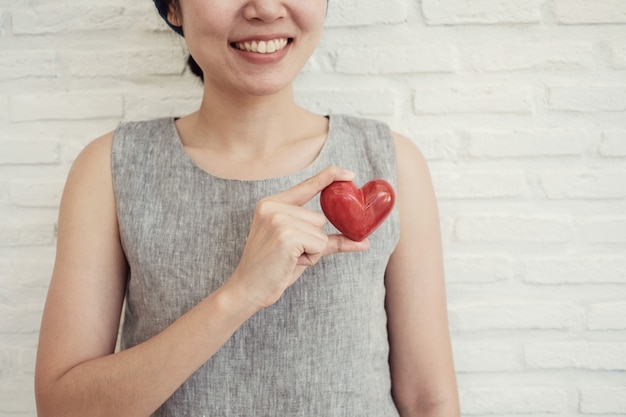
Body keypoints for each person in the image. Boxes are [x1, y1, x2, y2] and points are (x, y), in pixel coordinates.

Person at [34, 0, 460, 416]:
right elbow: (61, 408)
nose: (266, 9)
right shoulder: (110, 169)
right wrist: (240, 295)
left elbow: (429, 401)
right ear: (173, 8)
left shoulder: (390, 162)